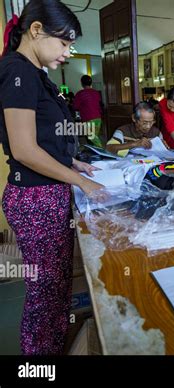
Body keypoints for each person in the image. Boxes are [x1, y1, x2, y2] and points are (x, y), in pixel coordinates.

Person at [0, 0, 104, 355]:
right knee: (44, 292)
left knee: (56, 287)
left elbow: (43, 138)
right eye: (64, 43)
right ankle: (38, 359)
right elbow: (25, 150)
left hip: (47, 195)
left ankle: (53, 348)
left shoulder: (34, 74)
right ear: (36, 30)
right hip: (35, 199)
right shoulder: (17, 72)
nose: (67, 53)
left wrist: (72, 163)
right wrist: (82, 183)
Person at [72, 74, 103, 147]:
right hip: (98, 119)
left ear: (82, 83)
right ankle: (94, 154)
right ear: (91, 83)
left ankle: (103, 152)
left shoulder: (80, 94)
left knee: (92, 138)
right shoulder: (96, 93)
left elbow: (75, 107)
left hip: (88, 119)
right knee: (92, 138)